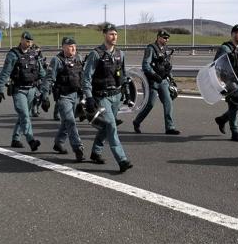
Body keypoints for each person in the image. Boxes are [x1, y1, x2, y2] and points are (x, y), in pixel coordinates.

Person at [82, 24, 133, 172]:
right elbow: (86, 78)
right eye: (111, 34)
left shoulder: (120, 54)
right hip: (102, 97)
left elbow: (123, 75)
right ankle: (122, 159)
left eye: (116, 34)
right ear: (104, 35)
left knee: (106, 126)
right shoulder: (96, 54)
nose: (114, 37)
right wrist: (89, 97)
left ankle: (95, 153)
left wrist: (127, 92)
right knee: (111, 125)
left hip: (116, 96)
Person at [0, 31, 46, 151]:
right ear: (22, 39)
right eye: (27, 41)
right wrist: (0, 88)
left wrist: (46, 89)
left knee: (24, 115)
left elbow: (42, 73)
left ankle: (15, 138)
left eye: (31, 41)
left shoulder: (34, 54)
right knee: (24, 115)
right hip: (19, 90)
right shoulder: (13, 54)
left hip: (32, 90)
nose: (29, 44)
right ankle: (31, 140)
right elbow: (5, 72)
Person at [42, 36, 85, 161]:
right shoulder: (57, 60)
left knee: (66, 122)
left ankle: (58, 143)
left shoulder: (78, 58)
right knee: (71, 121)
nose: (73, 49)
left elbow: (82, 76)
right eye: (70, 46)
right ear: (63, 47)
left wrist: (84, 95)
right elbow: (49, 78)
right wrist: (45, 96)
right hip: (63, 97)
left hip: (76, 95)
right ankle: (78, 148)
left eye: (74, 46)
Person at [133, 29, 180, 135]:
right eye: (164, 38)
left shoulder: (166, 50)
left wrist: (171, 79)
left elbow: (167, 67)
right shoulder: (151, 48)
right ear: (159, 37)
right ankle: (136, 122)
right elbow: (145, 65)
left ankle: (170, 128)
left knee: (168, 102)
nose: (166, 40)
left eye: (167, 38)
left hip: (163, 81)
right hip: (151, 81)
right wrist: (154, 75)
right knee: (150, 104)